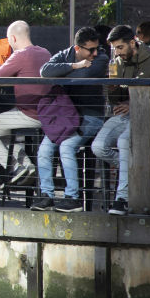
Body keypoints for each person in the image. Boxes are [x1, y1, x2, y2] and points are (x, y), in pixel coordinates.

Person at [91, 24, 150, 216]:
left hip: (149, 116)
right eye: (114, 49)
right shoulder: (117, 63)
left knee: (123, 141)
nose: (117, 53)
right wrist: (111, 90)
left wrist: (134, 104)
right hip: (124, 115)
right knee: (98, 146)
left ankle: (123, 199)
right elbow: (115, 100)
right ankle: (137, 170)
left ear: (132, 43)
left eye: (120, 48)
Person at [31, 27, 108, 212]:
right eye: (90, 50)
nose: (95, 53)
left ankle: (72, 198)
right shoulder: (66, 55)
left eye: (96, 48)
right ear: (77, 48)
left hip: (90, 116)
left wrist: (64, 73)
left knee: (66, 146)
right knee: (44, 150)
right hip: (65, 116)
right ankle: (47, 196)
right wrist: (75, 66)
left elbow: (85, 76)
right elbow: (45, 71)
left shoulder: (101, 58)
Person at [0, 21, 52, 185]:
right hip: (47, 111)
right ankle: (26, 166)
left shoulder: (19, 55)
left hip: (28, 113)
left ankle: (16, 167)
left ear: (13, 38)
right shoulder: (45, 52)